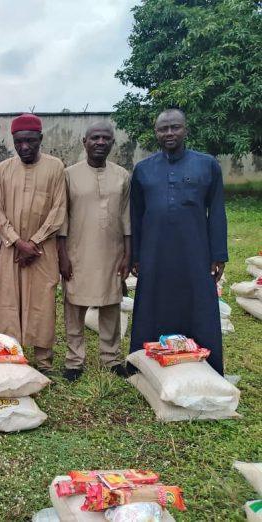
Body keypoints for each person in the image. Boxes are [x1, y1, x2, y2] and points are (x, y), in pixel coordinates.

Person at [129, 109, 227, 375]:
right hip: (154, 251)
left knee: (198, 301)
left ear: (186, 129)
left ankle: (206, 364)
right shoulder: (143, 170)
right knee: (152, 301)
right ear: (156, 133)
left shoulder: (207, 165)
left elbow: (217, 211)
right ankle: (145, 363)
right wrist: (135, 255)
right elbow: (136, 215)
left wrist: (218, 254)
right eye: (163, 129)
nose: (169, 133)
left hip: (195, 250)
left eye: (175, 127)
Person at [0, 114, 66, 375]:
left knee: (43, 302)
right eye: (19, 142)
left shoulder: (55, 167)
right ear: (13, 141)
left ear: (40, 139)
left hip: (43, 251)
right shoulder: (2, 170)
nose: (25, 147)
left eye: (31, 141)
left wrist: (33, 242)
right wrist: (17, 242)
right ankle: (12, 357)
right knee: (8, 302)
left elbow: (59, 209)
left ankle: (44, 362)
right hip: (10, 249)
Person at [58, 122, 131, 381]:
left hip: (113, 251)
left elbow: (127, 217)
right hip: (77, 251)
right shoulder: (69, 175)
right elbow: (62, 218)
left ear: (113, 143)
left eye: (106, 138)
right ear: (84, 142)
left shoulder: (122, 175)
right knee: (74, 305)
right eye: (95, 138)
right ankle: (74, 361)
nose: (100, 142)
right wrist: (62, 256)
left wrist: (128, 255)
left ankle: (111, 358)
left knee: (111, 303)